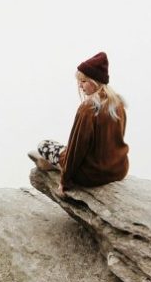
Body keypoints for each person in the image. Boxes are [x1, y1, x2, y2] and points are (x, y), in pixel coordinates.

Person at [28, 51, 129, 195]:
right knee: (67, 150)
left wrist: (64, 182)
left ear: (95, 81)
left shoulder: (88, 109)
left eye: (83, 81)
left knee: (44, 145)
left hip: (91, 175)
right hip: (118, 169)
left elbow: (77, 149)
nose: (80, 86)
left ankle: (54, 165)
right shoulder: (117, 104)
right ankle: (55, 163)